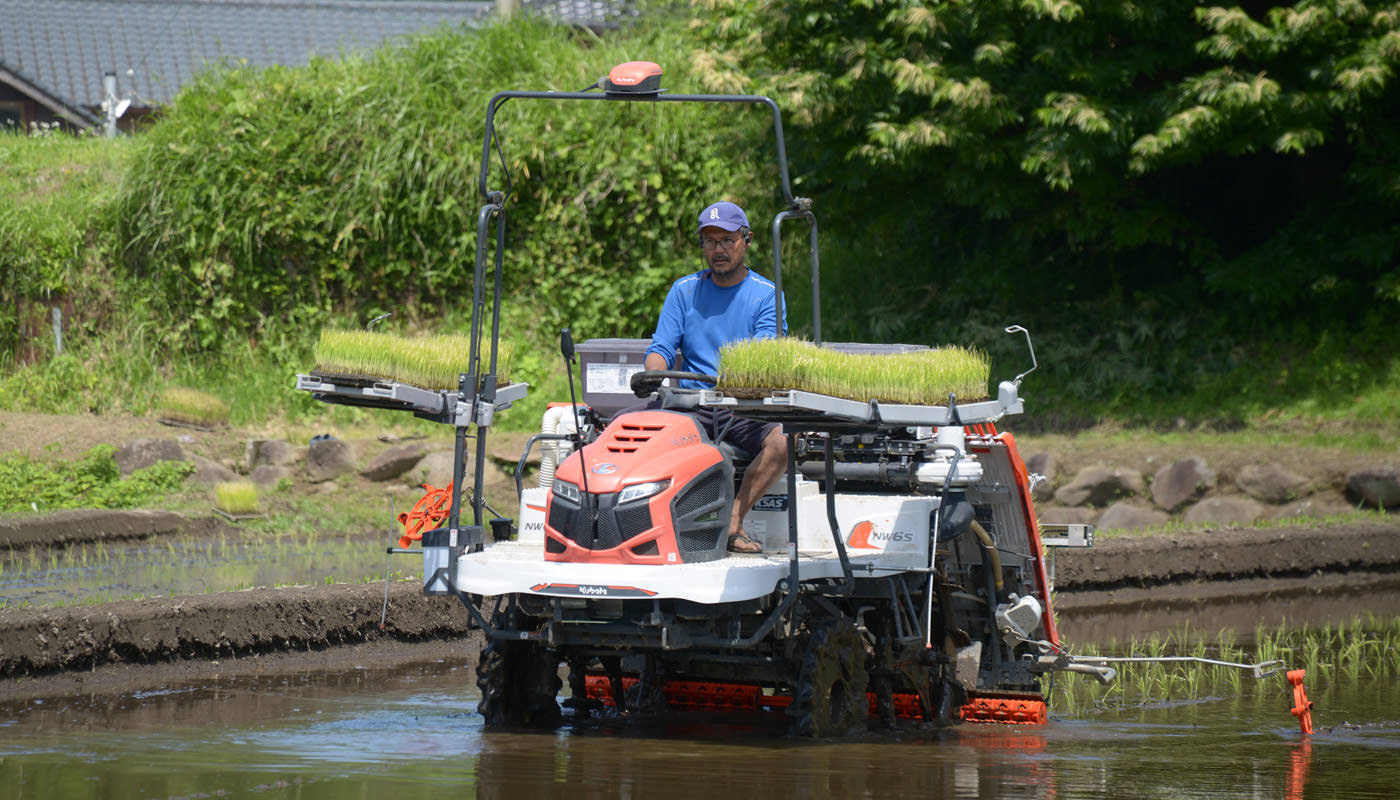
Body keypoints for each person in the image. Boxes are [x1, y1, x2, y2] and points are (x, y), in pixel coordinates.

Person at [643, 201, 788, 554]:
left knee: (784, 441)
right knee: (623, 430)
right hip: (690, 405)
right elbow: (661, 347)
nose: (718, 249)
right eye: (710, 241)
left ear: (747, 240)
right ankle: (644, 528)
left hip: (742, 408)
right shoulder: (684, 290)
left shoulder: (766, 295)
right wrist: (653, 372)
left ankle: (734, 522)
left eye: (727, 240)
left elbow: (765, 357)